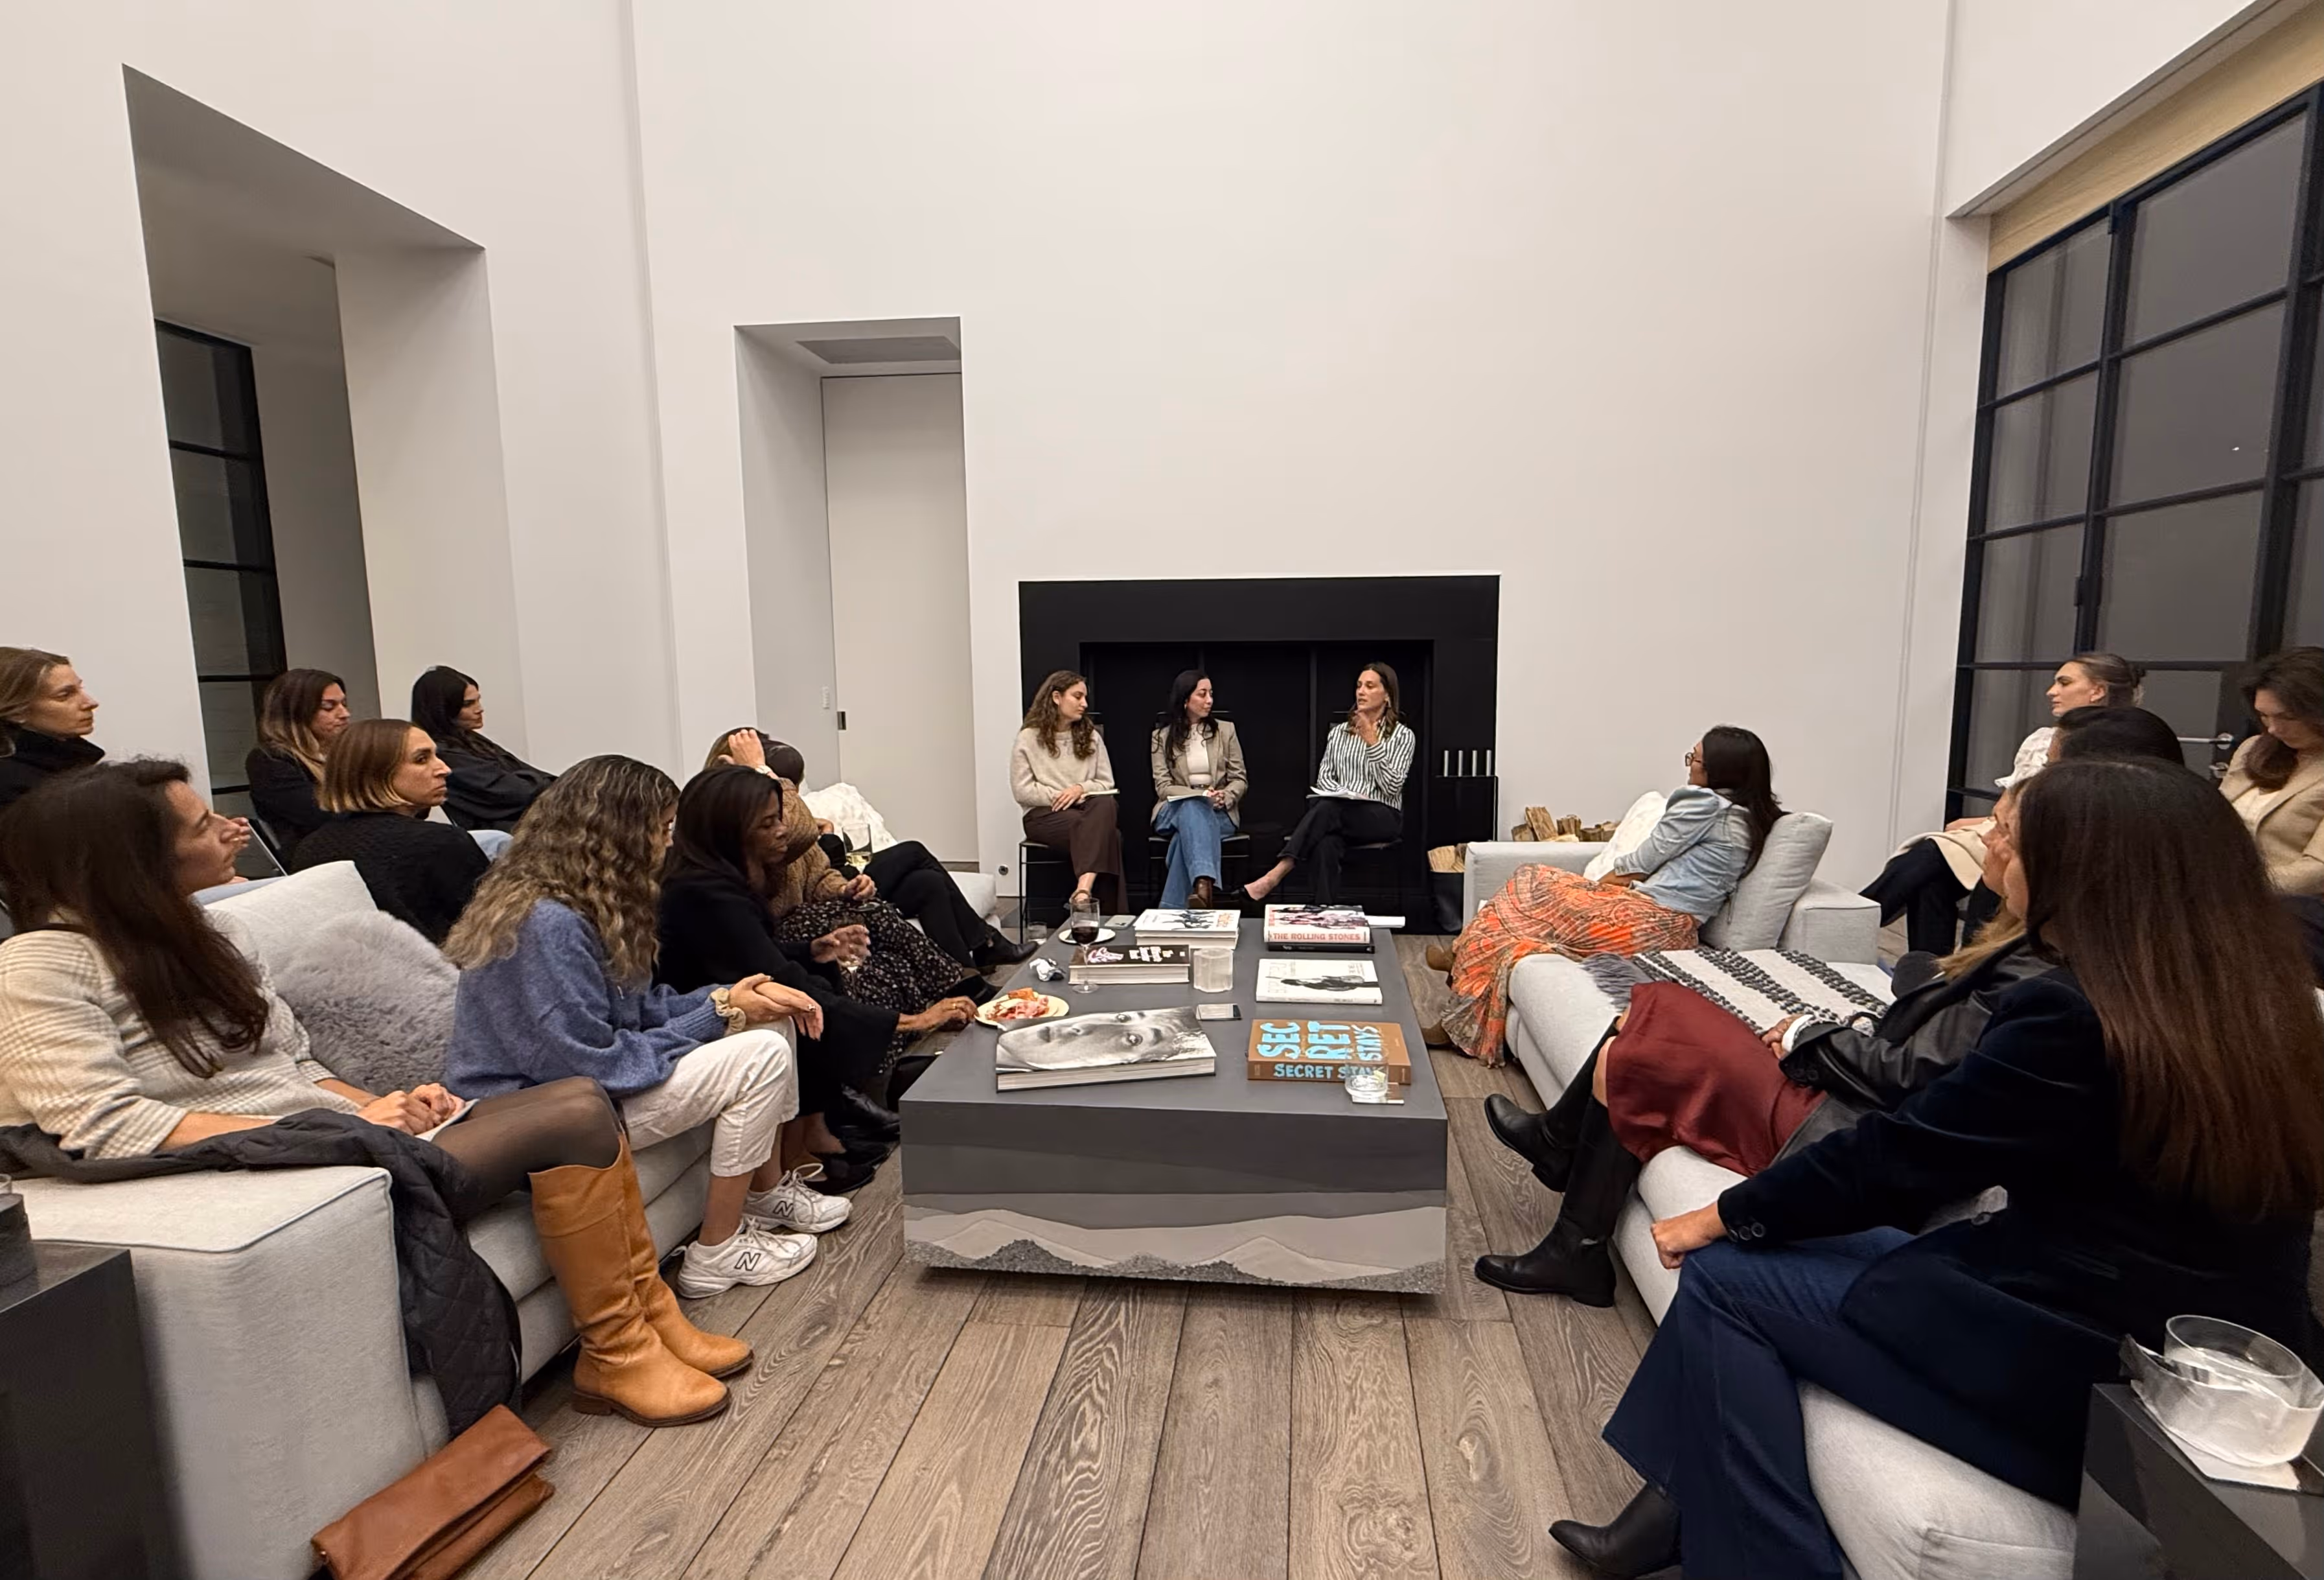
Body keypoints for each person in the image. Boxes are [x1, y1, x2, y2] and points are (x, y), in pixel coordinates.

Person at [1548, 756, 2324, 1579]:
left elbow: (1902, 1157)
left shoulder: (2071, 1012)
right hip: (2207, 1369)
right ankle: (1674, 1523)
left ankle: (1762, 1559)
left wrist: (1723, 1212)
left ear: (2083, 871)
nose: (1988, 851)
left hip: (2085, 1371)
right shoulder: (2255, 1001)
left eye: (2012, 841)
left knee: (1724, 1275)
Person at [0, 760, 754, 1428]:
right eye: (202, 823)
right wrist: (327, 1129)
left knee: (581, 1099)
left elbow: (294, 1060)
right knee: (574, 1103)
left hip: (333, 1135)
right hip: (272, 1162)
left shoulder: (213, 936)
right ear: (133, 861)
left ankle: (642, 1323)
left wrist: (368, 1104)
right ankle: (619, 1348)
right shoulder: (40, 967)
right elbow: (102, 1124)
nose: (232, 825)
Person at [443, 756, 851, 1302]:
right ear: (618, 834)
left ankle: (766, 1189)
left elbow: (638, 1010)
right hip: (540, 1116)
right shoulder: (548, 925)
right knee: (759, 1055)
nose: (666, 845)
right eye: (660, 830)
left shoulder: (585, 904)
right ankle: (717, 1252)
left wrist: (729, 997)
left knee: (769, 1022)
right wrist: (720, 1015)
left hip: (581, 1088)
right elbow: (589, 1065)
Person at [659, 767, 980, 1188]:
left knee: (821, 967)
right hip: (702, 1009)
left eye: (780, 817)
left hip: (734, 986)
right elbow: (768, 975)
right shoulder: (705, 894)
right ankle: (803, 1150)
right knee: (801, 1000)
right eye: (768, 823)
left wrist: (812, 949)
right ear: (727, 831)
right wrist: (915, 1021)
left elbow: (754, 957)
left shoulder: (725, 880)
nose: (782, 831)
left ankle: (821, 1126)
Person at [1431, 726, 1783, 1065]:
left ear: (1720, 771)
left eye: (1696, 758)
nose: (1690, 763)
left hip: (1645, 919)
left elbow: (1643, 862)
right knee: (1518, 931)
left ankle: (1461, 956)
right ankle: (1458, 996)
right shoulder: (1745, 818)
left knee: (1530, 879)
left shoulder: (1704, 805)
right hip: (1674, 930)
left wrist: (1597, 888)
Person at [1861, 652, 2143, 953]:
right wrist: (1980, 821)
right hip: (2006, 828)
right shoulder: (2042, 738)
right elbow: (2007, 804)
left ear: (2097, 690)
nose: (2052, 691)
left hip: (2043, 842)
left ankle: (1855, 917)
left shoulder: (2119, 745)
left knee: (1930, 856)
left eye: (2064, 682)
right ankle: (1934, 973)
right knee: (1933, 880)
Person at [707, 730, 1032, 970]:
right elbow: (799, 834)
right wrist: (765, 776)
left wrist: (839, 873)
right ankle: (986, 942)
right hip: (809, 919)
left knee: (927, 884)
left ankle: (966, 976)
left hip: (838, 889)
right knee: (913, 852)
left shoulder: (785, 819)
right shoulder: (737, 823)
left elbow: (820, 871)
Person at [289, 719, 492, 946]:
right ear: (376, 773)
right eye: (422, 759)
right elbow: (500, 930)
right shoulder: (441, 843)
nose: (444, 769)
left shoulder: (309, 848)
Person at [1231, 663, 1414, 910]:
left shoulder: (1402, 736)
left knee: (1329, 810)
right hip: (1340, 813)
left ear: (1388, 695)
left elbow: (1392, 787)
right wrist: (1345, 794)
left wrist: (1372, 742)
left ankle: (1277, 873)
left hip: (1382, 817)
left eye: (1370, 686)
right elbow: (1325, 778)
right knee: (1326, 841)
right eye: (1359, 686)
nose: (1361, 692)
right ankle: (1323, 912)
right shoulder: (1339, 733)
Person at [1010, 671, 1125, 914]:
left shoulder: (1091, 737)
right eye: (1077, 696)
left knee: (1106, 805)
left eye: (1085, 698)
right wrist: (1062, 796)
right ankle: (1113, 919)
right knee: (1109, 836)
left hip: (1087, 811)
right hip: (1044, 816)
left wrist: (1080, 789)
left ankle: (1083, 891)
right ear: (1056, 697)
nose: (1084, 704)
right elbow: (1022, 790)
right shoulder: (1028, 738)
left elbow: (1107, 783)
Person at [2221, 646, 2324, 896]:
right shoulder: (2254, 748)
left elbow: (2317, 871)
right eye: (2264, 716)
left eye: (2287, 717)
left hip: (2293, 911)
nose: (2274, 729)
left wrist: (2231, 886)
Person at [409, 666, 557, 831]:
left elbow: (525, 774)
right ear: (443, 709)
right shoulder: (441, 752)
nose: (479, 709)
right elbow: (516, 792)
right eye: (468, 704)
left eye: (478, 700)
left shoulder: (468, 738)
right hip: (507, 833)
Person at [1149, 670, 1248, 910]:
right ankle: (1204, 883)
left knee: (1186, 839)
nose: (1209, 700)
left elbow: (1240, 779)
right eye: (1202, 694)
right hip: (1173, 809)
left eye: (1211, 694)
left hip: (1219, 811)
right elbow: (1163, 787)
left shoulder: (1226, 731)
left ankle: (1174, 910)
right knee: (1193, 807)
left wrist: (1225, 796)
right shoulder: (1161, 738)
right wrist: (1197, 796)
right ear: (1185, 700)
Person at [244, 668, 354, 857]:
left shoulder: (345, 754)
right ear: (297, 712)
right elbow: (321, 817)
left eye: (344, 704)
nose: (344, 714)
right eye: (329, 707)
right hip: (316, 861)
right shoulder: (270, 760)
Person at [0, 647, 102, 811]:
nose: (90, 702)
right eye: (65, 695)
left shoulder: (70, 760)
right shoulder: (12, 787)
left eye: (80, 689)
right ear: (17, 712)